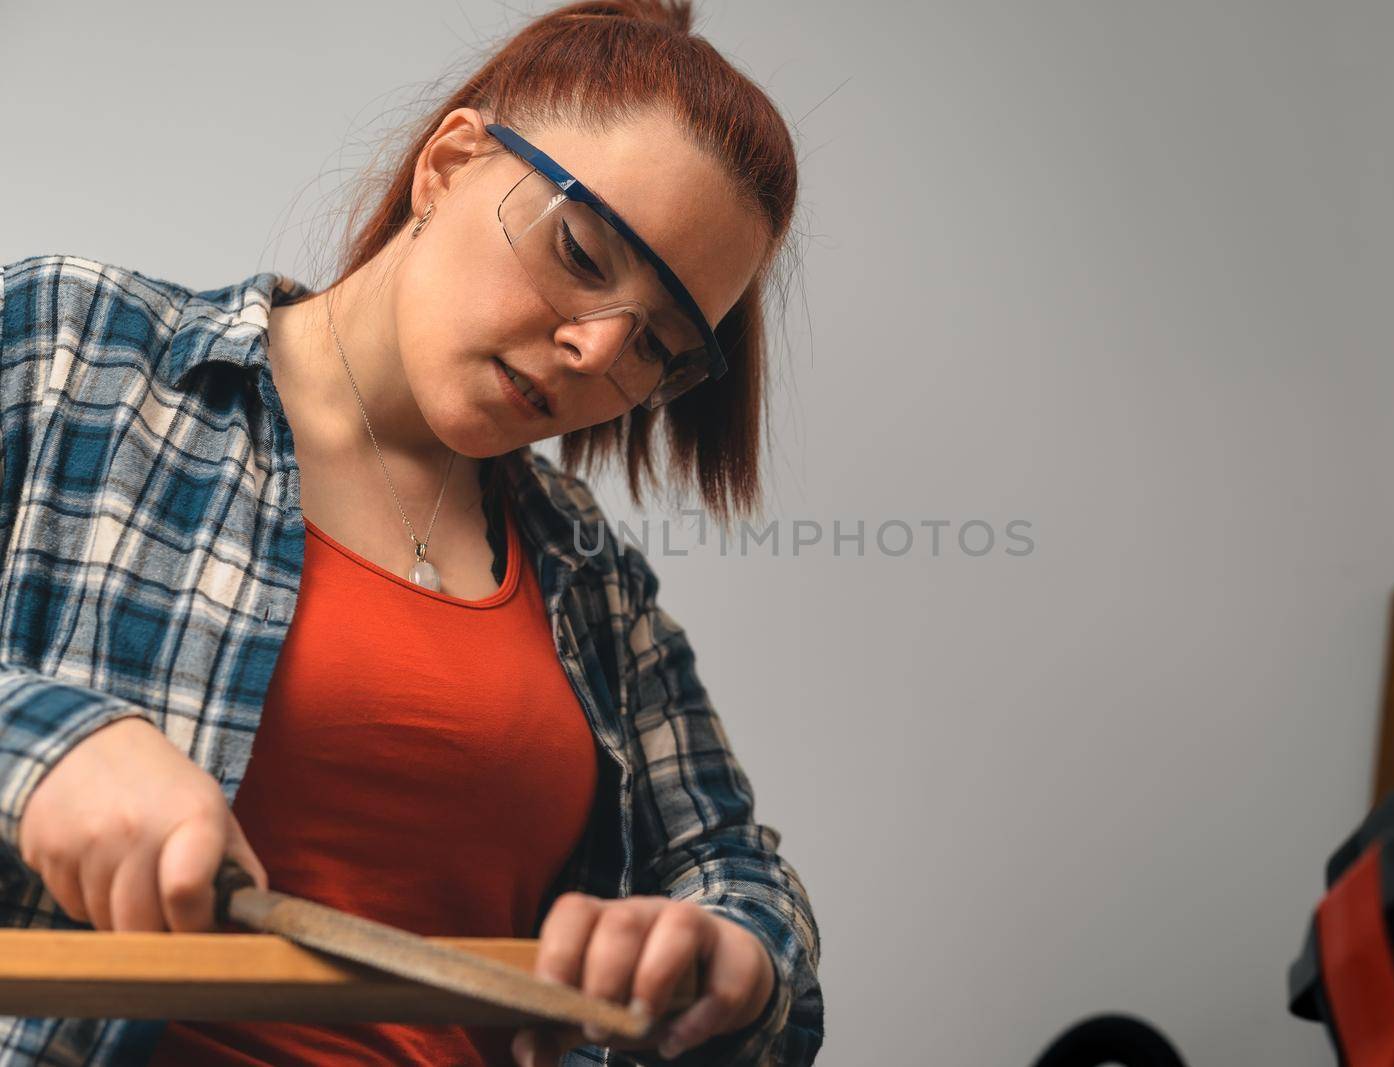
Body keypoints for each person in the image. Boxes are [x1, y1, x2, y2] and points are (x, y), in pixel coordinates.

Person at [0, 1, 822, 1064]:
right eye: (579, 251)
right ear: (448, 164)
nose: (593, 350)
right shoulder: (73, 350)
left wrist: (722, 951)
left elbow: (740, 878)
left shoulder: (588, 576)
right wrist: (46, 745)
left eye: (658, 345)